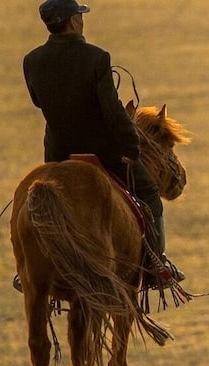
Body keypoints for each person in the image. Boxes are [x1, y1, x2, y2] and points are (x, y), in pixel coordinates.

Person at [21, 0, 185, 290]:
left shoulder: (32, 61)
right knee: (148, 194)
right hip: (101, 153)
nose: (82, 21)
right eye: (79, 17)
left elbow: (38, 101)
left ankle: (26, 269)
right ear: (72, 22)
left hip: (57, 156)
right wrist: (130, 145)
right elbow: (111, 110)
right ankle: (156, 267)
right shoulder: (96, 58)